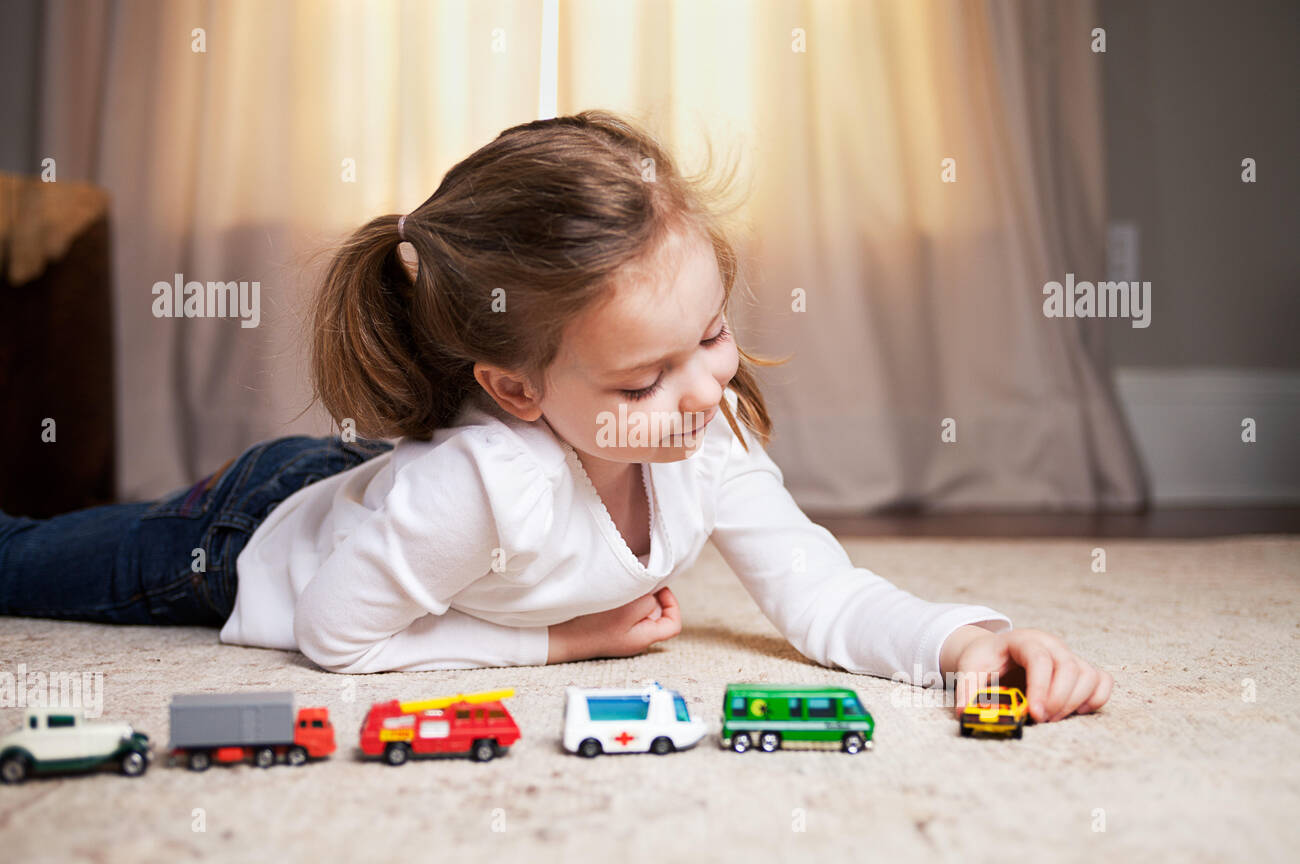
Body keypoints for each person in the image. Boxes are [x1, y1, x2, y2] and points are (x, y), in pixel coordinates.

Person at [0, 110, 1110, 724]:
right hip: (247, 535)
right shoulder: (485, 484)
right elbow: (339, 635)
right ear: (517, 389)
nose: (706, 392)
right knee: (28, 561)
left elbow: (821, 593)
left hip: (380, 501)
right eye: (642, 381)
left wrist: (965, 637)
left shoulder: (702, 435)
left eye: (712, 335)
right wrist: (560, 640)